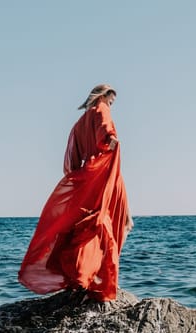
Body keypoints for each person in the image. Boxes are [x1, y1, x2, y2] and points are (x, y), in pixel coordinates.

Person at [18, 84, 133, 302]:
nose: (110, 105)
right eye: (111, 101)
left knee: (94, 222)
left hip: (90, 176)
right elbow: (105, 128)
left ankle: (91, 272)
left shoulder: (78, 124)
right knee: (120, 222)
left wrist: (82, 180)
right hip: (105, 174)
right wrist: (110, 141)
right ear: (103, 95)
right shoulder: (100, 108)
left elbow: (70, 162)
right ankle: (99, 273)